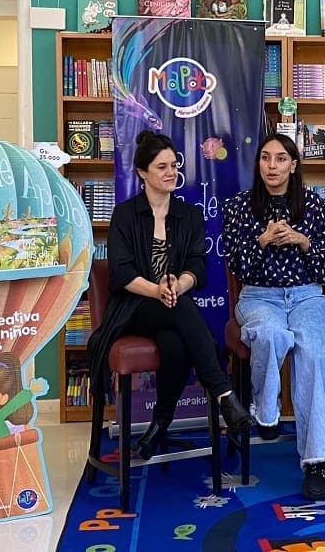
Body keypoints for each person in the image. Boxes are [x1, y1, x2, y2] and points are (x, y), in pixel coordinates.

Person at [87, 130, 251, 459]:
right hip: (134, 307)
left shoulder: (188, 215)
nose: (170, 172)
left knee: (176, 344)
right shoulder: (124, 214)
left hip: (173, 304)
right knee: (183, 312)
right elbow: (120, 273)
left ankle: (159, 425)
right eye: (161, 167)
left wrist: (179, 285)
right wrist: (158, 290)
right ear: (142, 173)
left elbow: (197, 267)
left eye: (173, 165)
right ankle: (223, 394)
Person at [222, 133, 325, 500]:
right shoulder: (239, 207)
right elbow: (236, 265)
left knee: (313, 356)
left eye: (280, 159)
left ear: (293, 164)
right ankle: (266, 408)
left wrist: (301, 240)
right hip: (259, 296)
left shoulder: (317, 207)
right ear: (258, 164)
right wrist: (260, 240)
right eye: (265, 158)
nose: (272, 166)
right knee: (271, 335)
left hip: (307, 296)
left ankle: (317, 461)